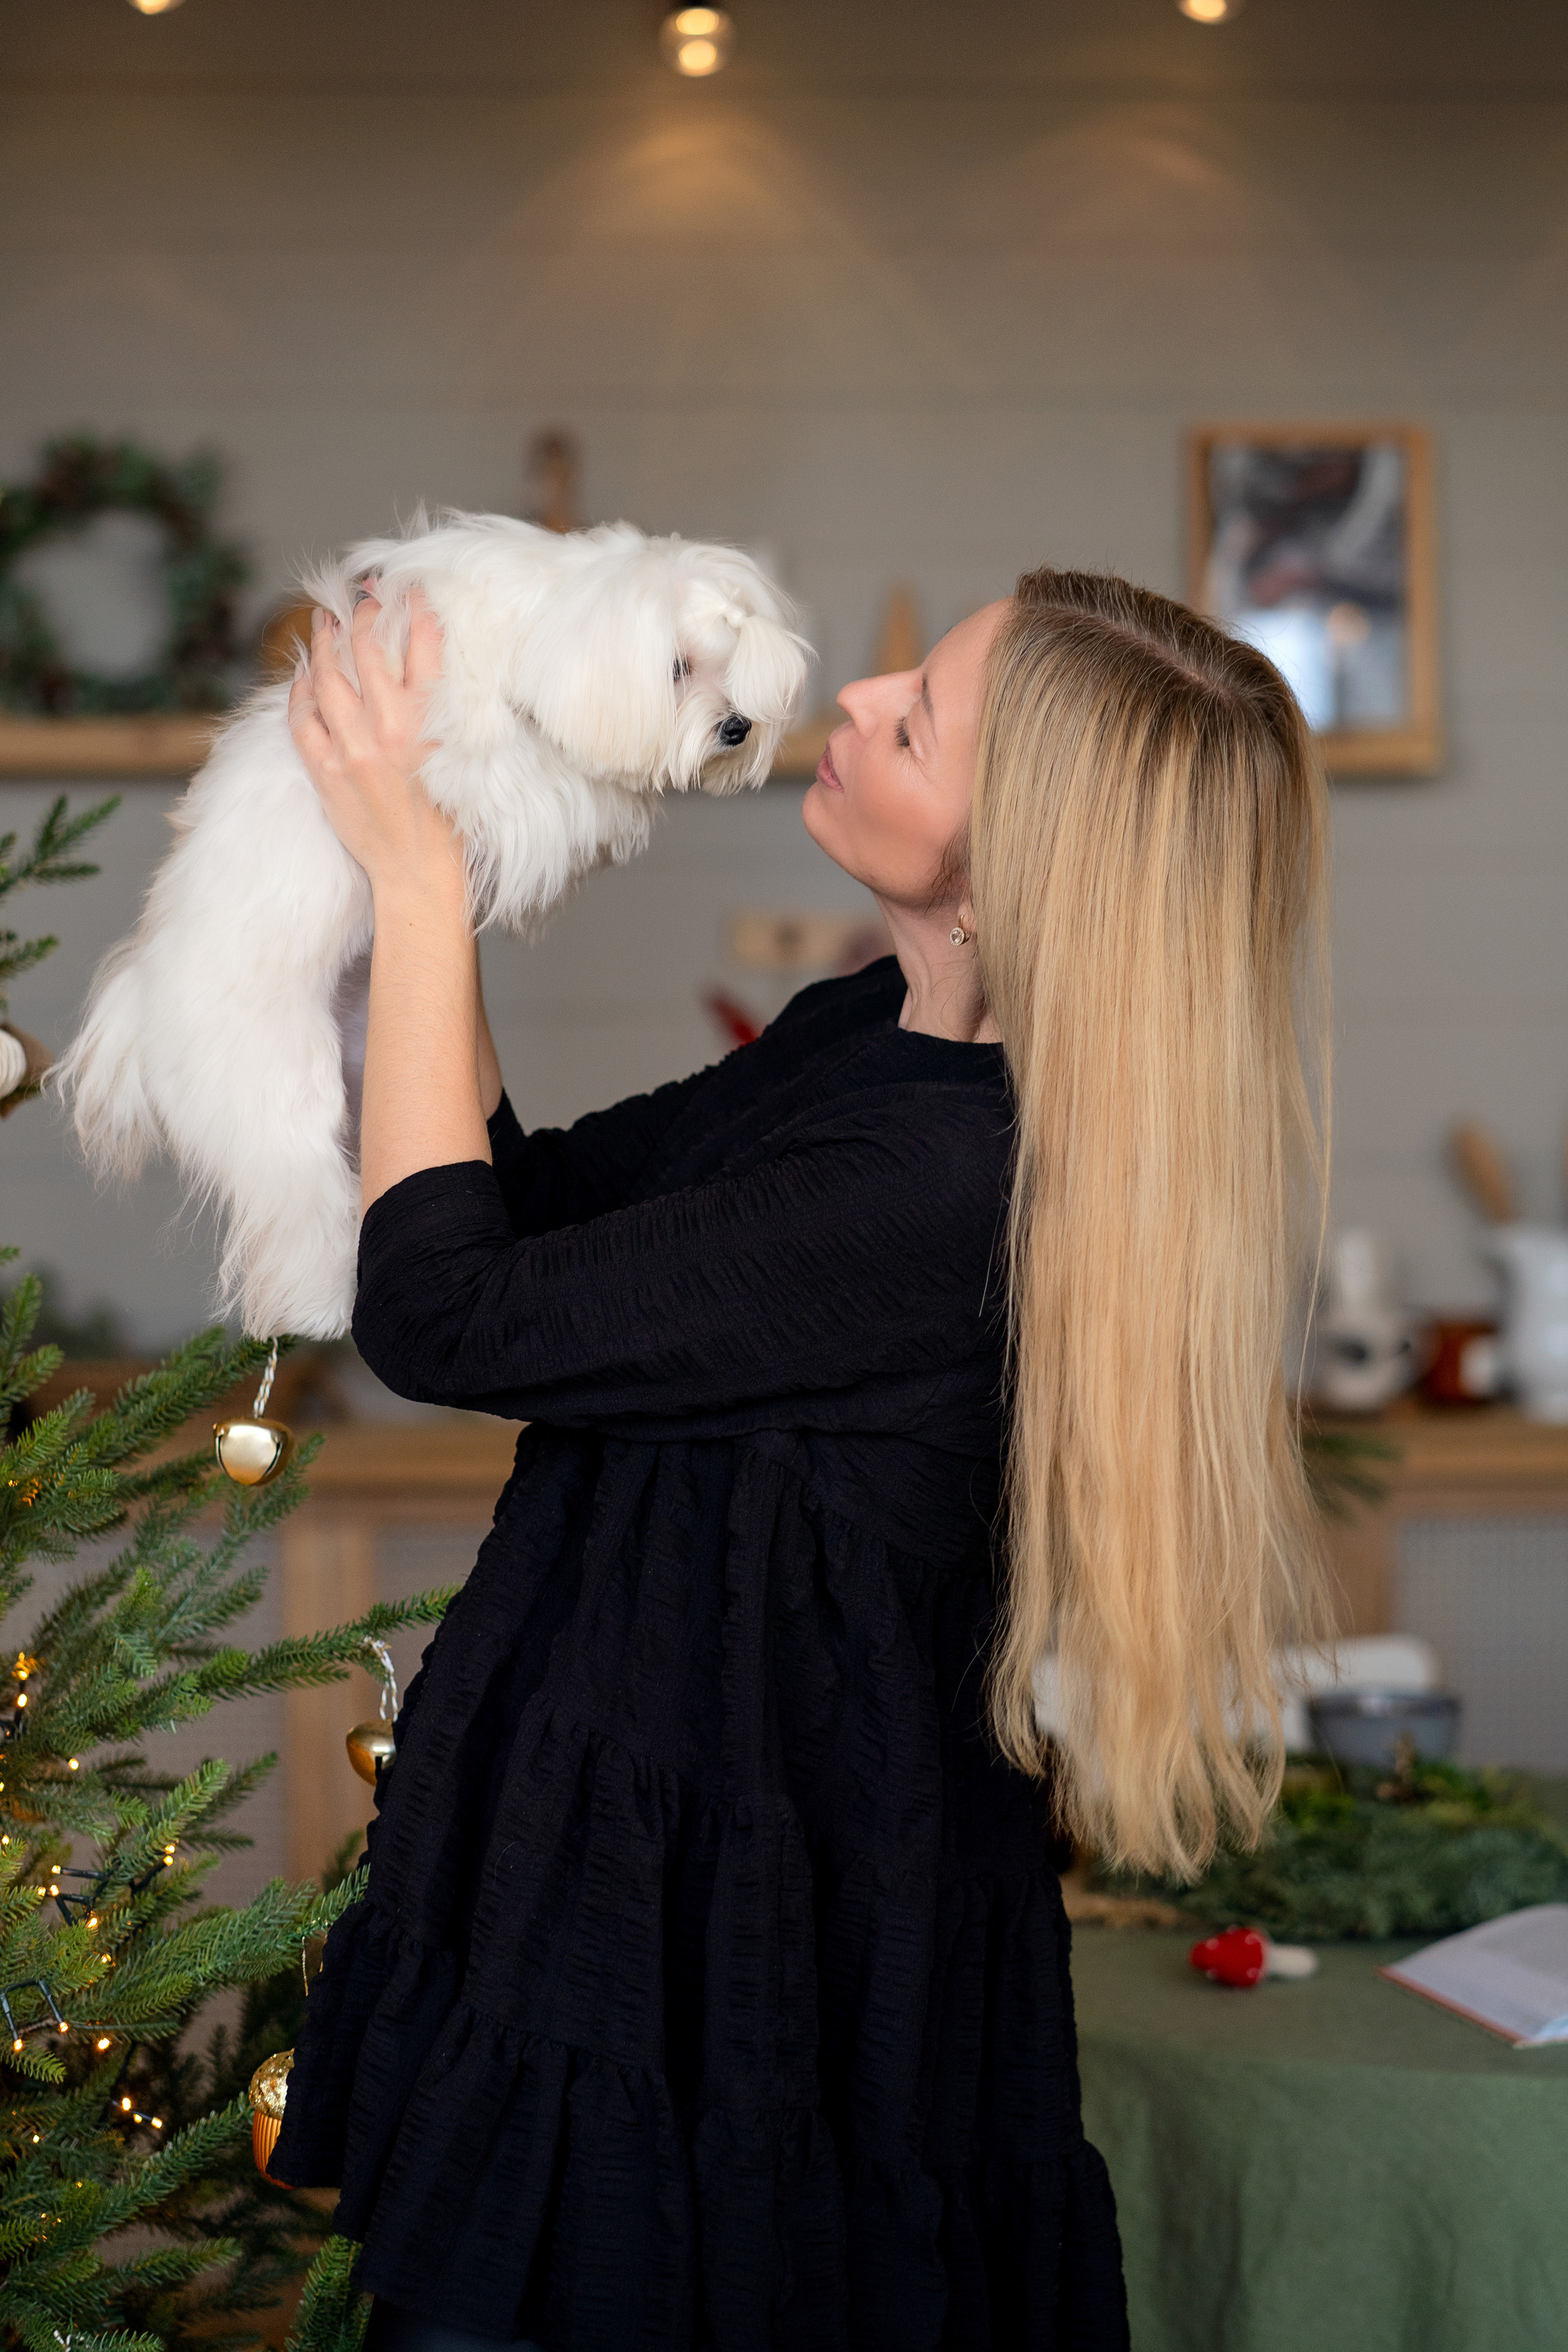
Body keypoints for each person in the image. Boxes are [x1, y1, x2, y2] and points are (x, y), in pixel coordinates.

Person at [273, 565, 1329, 2352]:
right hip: (644, 1871)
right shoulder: (870, 1037)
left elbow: (443, 1316)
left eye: (915, 724)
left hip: (726, 1960)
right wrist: (401, 901)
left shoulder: (947, 1185)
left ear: (1011, 874)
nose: (854, 698)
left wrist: (421, 883)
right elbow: (519, 1214)